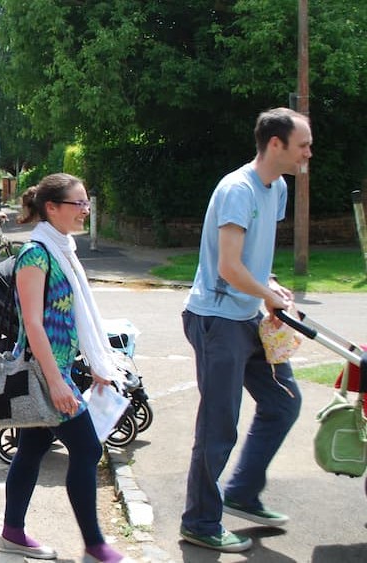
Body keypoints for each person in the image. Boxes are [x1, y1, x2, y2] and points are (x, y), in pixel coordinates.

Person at [179, 108, 310, 553]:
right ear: (276, 144)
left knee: (284, 401)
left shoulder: (278, 189)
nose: (309, 152)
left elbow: (253, 262)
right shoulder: (238, 190)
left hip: (248, 315)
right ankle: (199, 520)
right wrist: (265, 295)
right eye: (303, 145)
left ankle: (241, 491)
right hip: (217, 319)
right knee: (218, 426)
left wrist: (269, 285)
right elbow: (229, 266)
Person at [0, 173, 127, 562]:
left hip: (60, 368)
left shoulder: (62, 249)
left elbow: (74, 316)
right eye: (79, 203)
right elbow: (33, 323)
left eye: (87, 202)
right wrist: (57, 383)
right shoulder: (36, 254)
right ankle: (95, 545)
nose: (85, 210)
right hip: (44, 373)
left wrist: (94, 363)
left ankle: (12, 533)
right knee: (87, 450)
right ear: (51, 208)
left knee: (32, 448)